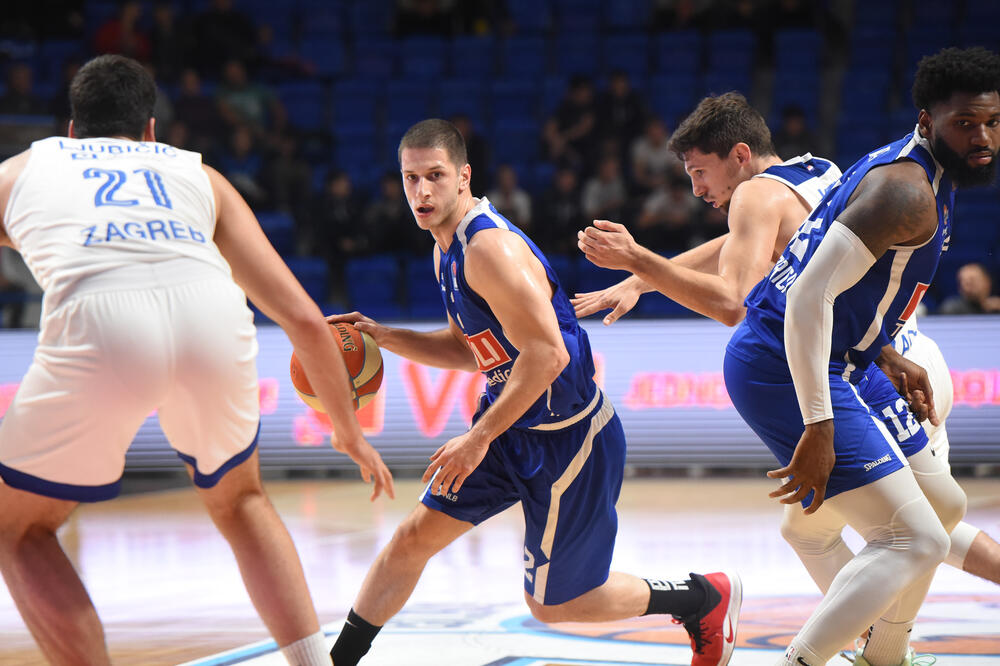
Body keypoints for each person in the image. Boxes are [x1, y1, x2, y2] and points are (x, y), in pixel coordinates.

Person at [575, 76, 1000, 665]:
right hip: (886, 349)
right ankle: (887, 649)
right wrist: (642, 278)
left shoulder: (758, 197)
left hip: (858, 354)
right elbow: (756, 247)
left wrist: (640, 262)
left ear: (739, 157)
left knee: (913, 530)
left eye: (699, 172)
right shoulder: (821, 169)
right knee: (914, 517)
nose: (695, 189)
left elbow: (735, 299)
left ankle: (878, 650)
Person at [0, 55, 394, 666]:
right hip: (212, 316)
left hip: (101, 324)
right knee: (241, 502)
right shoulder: (197, 174)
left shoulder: (31, 165)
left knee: (19, 528)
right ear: (153, 131)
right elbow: (306, 321)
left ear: (72, 131)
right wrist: (349, 433)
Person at [326, 118, 741, 666]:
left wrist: (476, 438)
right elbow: (471, 346)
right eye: (410, 179)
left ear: (463, 177)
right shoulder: (443, 248)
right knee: (412, 540)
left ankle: (701, 598)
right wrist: (386, 336)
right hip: (509, 427)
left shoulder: (487, 250)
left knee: (555, 605)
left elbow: (549, 356)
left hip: (568, 440)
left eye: (434, 176)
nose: (422, 192)